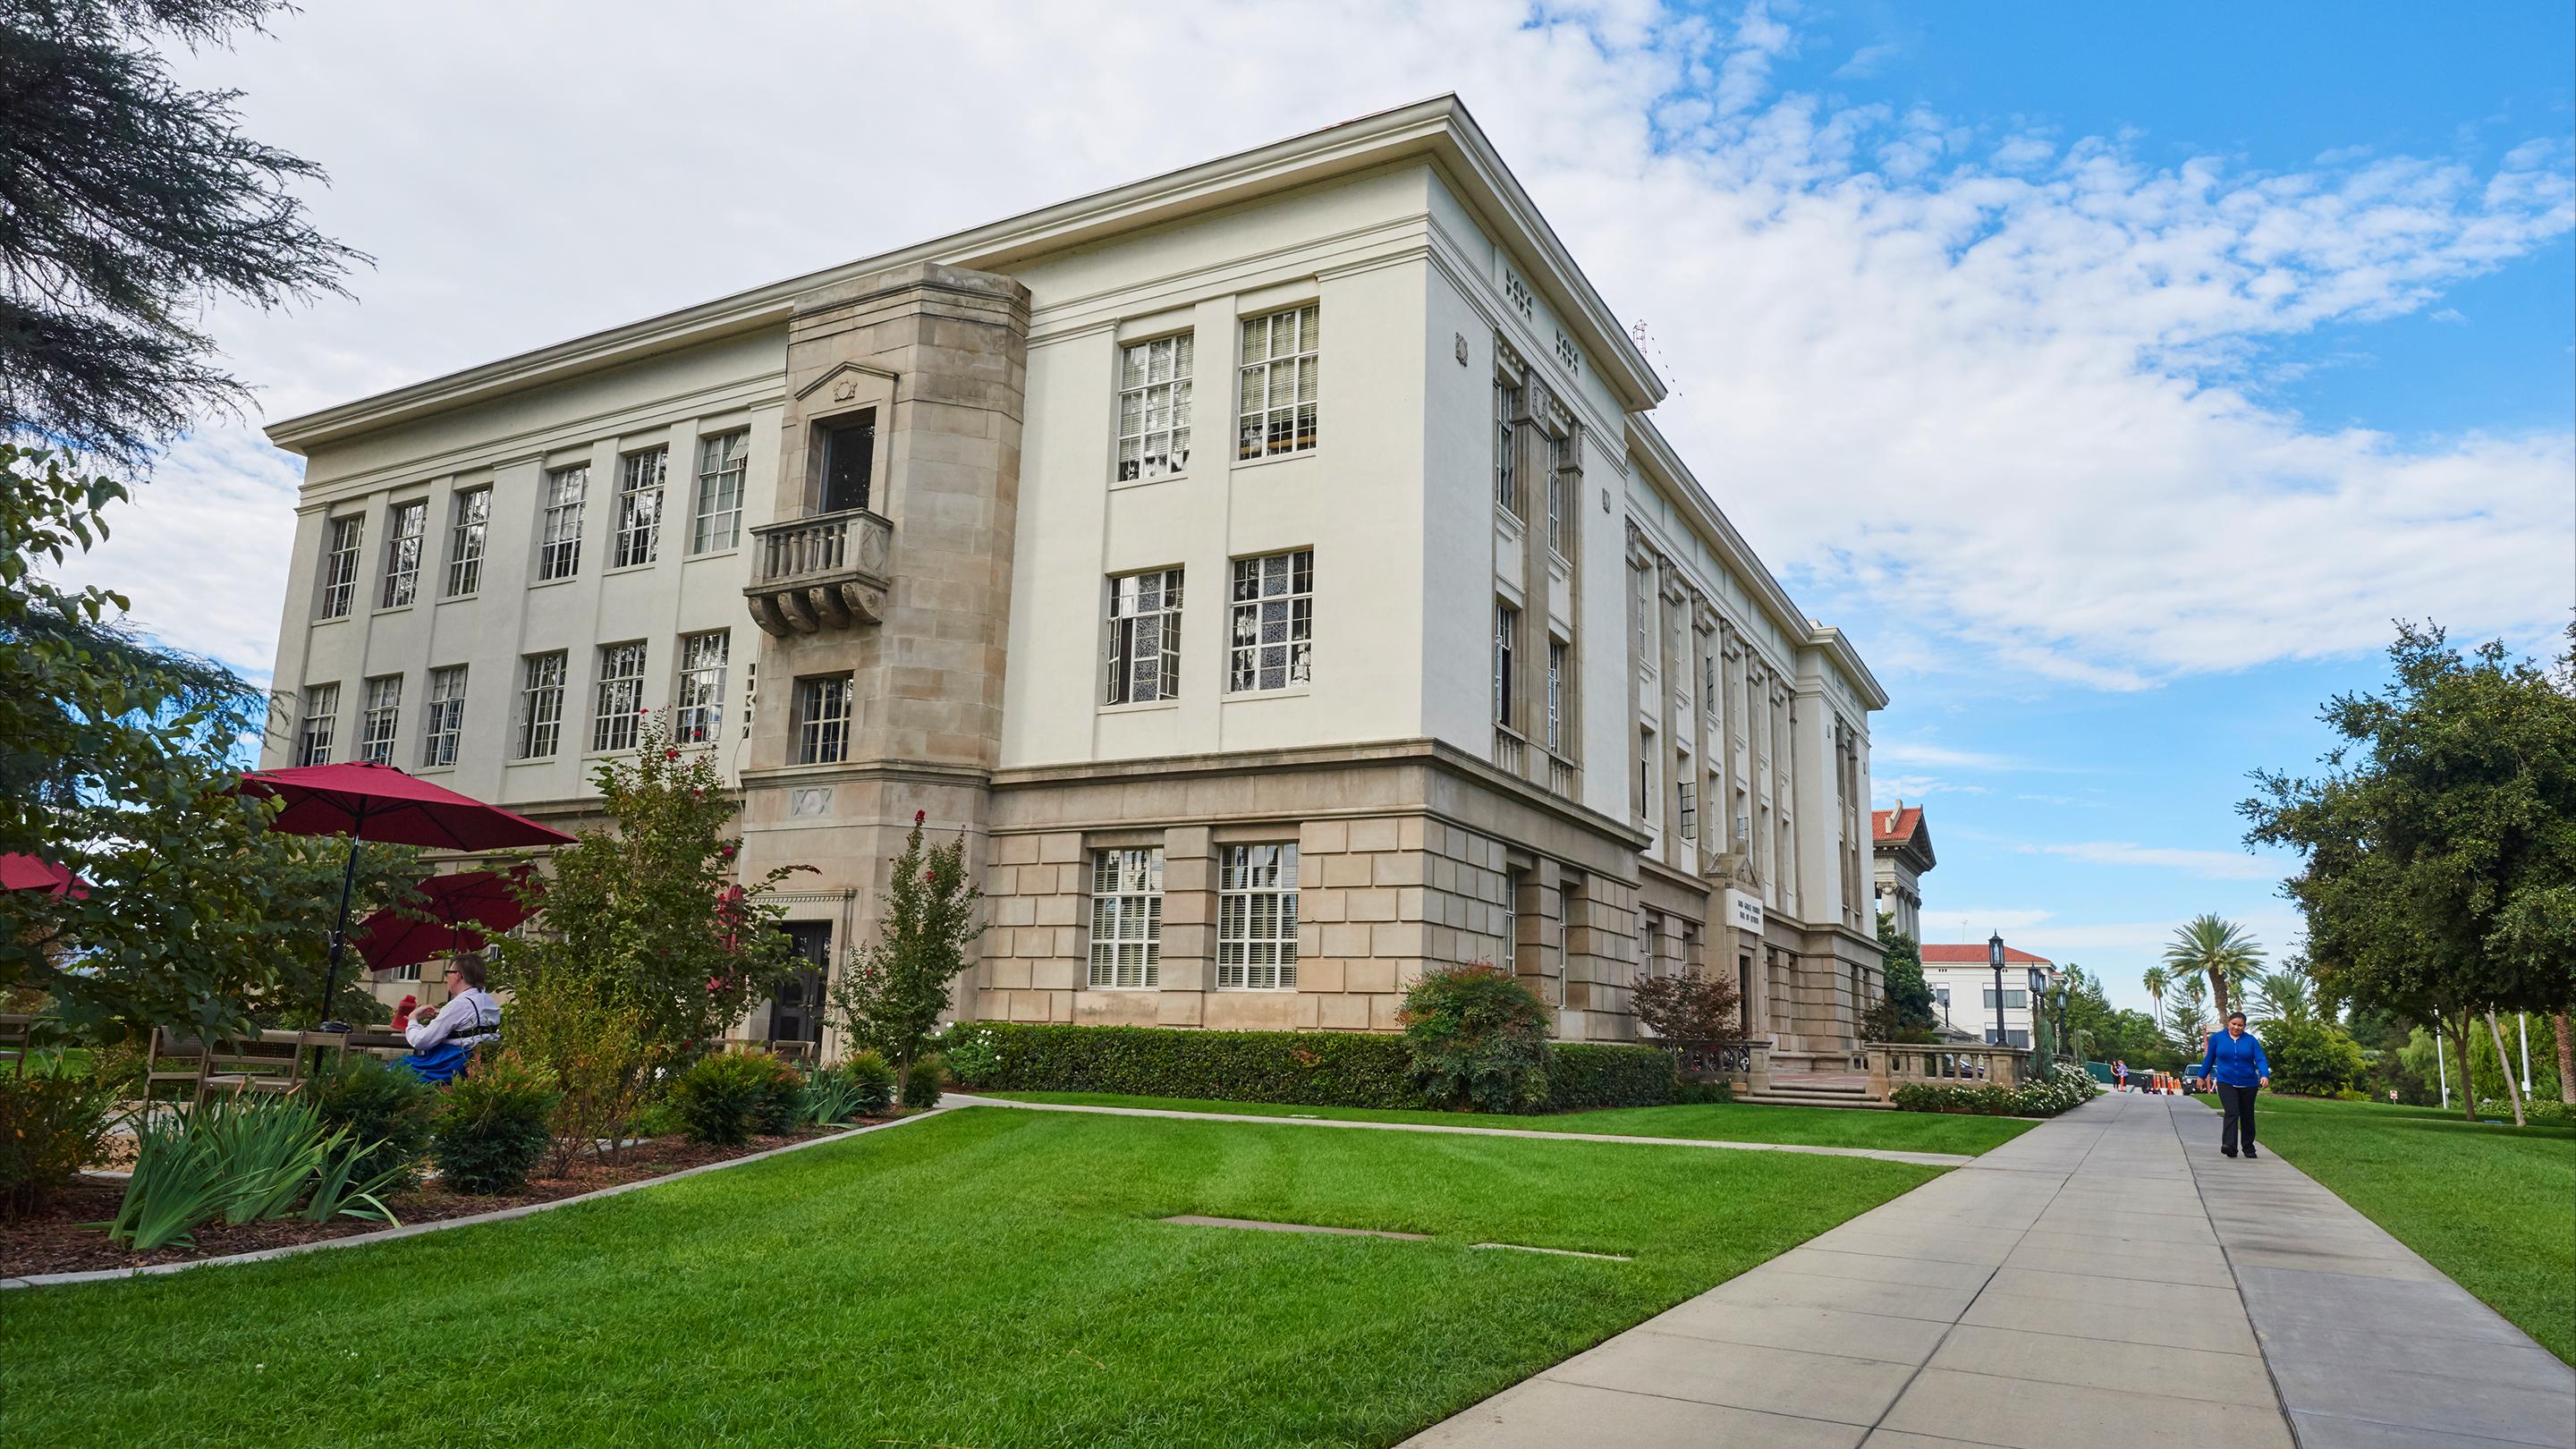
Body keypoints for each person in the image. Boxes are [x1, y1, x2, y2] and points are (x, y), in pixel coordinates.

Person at [393, 956, 502, 1084]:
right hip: (476, 1064)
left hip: (451, 1067)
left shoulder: (459, 1005)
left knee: (397, 1067)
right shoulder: (489, 1003)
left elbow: (422, 1041)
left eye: (448, 973)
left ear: (458, 976)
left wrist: (412, 1019)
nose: (446, 979)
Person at [2196, 1012, 2271, 1158]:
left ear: (2244, 1026)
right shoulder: (2218, 1038)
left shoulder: (2251, 1041)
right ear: (2228, 1023)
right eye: (2234, 1024)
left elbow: (2260, 1059)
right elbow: (2209, 1059)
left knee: (2247, 1115)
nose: (2236, 1027)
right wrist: (2201, 1076)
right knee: (2231, 1112)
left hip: (2248, 1083)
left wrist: (2264, 1075)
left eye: (2240, 1025)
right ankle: (2229, 1145)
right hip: (2226, 1081)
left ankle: (2248, 1147)